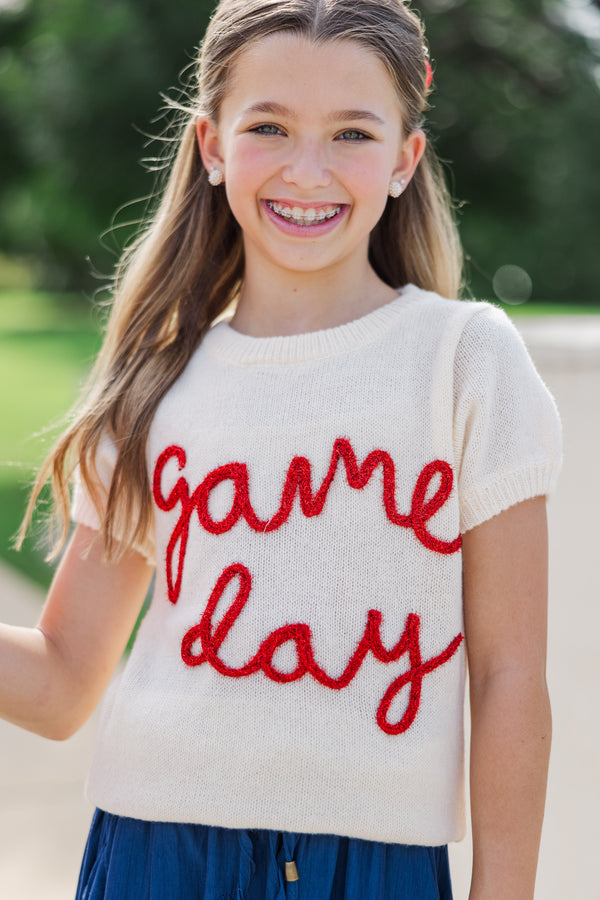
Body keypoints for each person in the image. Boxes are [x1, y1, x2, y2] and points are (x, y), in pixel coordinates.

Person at [1, 0, 562, 897]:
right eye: (269, 126)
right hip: (156, 854)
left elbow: (507, 678)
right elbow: (66, 681)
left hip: (378, 864)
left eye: (352, 133)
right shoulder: (153, 383)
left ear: (403, 161)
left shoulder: (466, 362)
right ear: (213, 147)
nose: (309, 170)